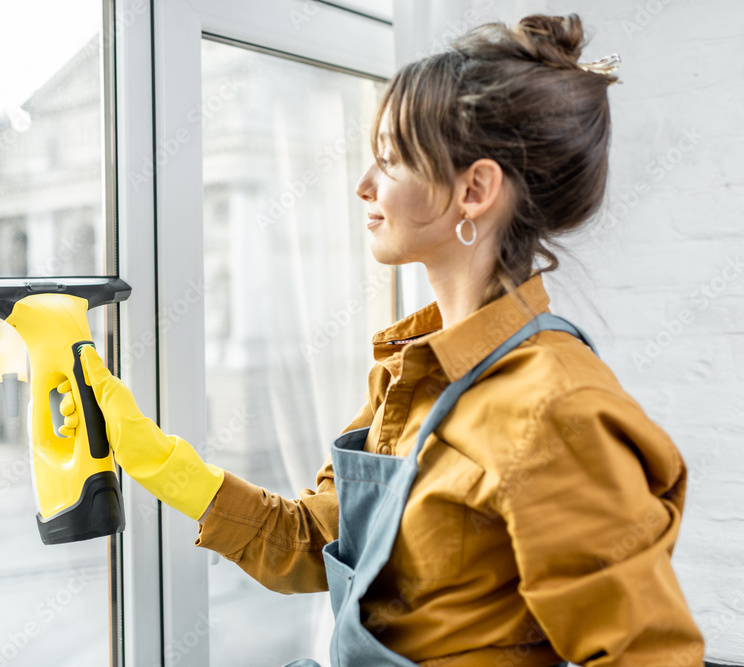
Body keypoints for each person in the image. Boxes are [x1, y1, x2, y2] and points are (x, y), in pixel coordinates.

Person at [62, 13, 704, 667]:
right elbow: (316, 541)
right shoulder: (410, 370)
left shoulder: (553, 406)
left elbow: (648, 655)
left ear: (474, 189)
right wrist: (157, 459)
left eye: (392, 159)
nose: (364, 184)